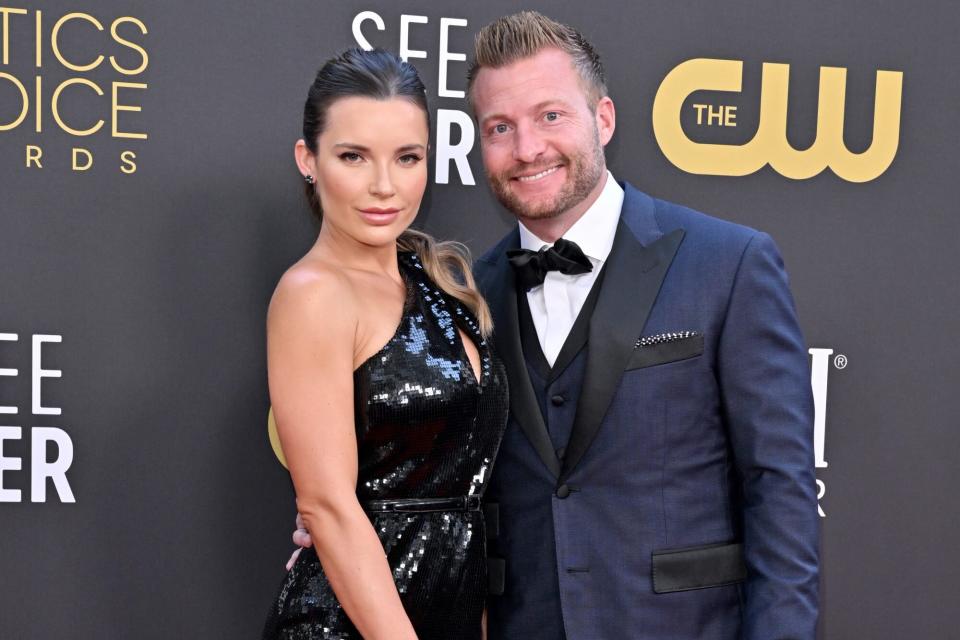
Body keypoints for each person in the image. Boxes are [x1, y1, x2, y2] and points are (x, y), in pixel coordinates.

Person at [292, 11, 820, 639]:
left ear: (603, 118)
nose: (527, 149)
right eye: (499, 128)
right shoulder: (464, 295)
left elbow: (780, 486)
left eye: (551, 116)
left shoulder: (729, 264)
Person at [262, 48, 507, 640]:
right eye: (353, 156)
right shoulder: (312, 294)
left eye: (407, 158)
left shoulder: (438, 280)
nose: (383, 186)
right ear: (309, 160)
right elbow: (328, 509)